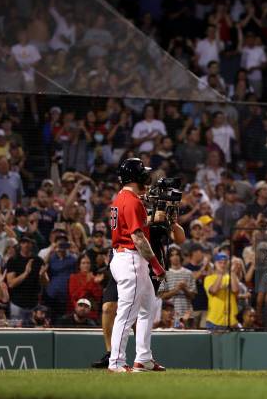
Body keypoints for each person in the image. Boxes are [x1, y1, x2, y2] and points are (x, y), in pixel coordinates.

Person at [107, 158, 166, 373]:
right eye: (143, 173)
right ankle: (116, 362)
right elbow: (138, 237)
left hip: (126, 257)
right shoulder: (131, 201)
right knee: (127, 313)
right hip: (130, 258)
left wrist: (151, 218)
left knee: (147, 308)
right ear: (136, 177)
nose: (146, 177)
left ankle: (143, 358)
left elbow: (133, 225)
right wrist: (157, 265)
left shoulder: (122, 198)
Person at [204, 253, 239, 330]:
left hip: (231, 321)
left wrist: (232, 272)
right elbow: (214, 291)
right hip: (214, 321)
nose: (222, 265)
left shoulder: (230, 277)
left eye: (225, 263)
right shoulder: (209, 278)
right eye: (220, 263)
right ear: (215, 264)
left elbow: (236, 290)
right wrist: (220, 274)